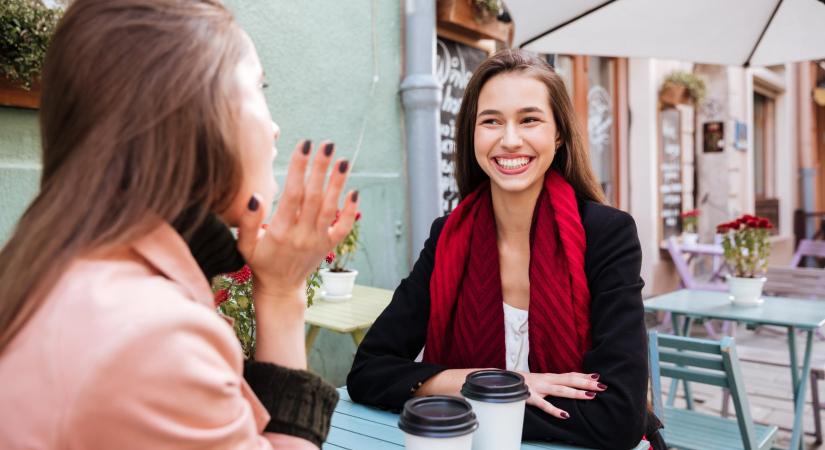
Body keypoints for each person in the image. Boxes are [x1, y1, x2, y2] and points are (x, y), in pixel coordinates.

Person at [0, 1, 358, 448]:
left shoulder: (54, 272)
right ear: (192, 116)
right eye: (259, 87)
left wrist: (280, 288)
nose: (275, 129)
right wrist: (284, 297)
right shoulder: (154, 335)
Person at [347, 49, 663, 449]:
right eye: (491, 121)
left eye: (529, 119)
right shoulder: (447, 238)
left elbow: (618, 416)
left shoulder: (606, 234)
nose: (510, 140)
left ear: (558, 134)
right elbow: (368, 372)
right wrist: (495, 385)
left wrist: (458, 403)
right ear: (472, 134)